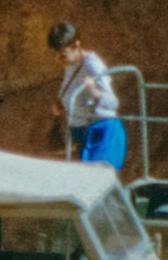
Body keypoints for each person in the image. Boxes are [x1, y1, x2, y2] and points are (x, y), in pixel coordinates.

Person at [53, 20, 124, 169]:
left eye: (63, 55)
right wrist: (60, 102)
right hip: (82, 132)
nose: (60, 60)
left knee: (97, 180)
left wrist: (94, 90)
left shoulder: (92, 64)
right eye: (57, 55)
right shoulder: (70, 62)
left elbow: (113, 103)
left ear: (76, 46)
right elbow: (69, 86)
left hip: (101, 132)